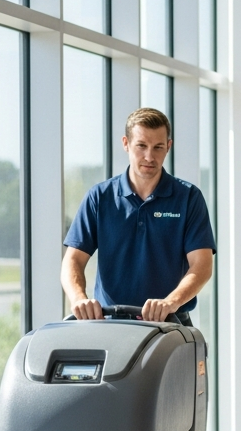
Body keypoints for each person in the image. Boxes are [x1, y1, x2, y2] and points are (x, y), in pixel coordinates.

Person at [62, 108, 216, 325]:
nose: (149, 157)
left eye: (158, 147)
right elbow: (73, 259)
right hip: (110, 325)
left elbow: (202, 265)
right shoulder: (99, 197)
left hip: (170, 325)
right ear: (126, 143)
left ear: (168, 147)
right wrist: (79, 299)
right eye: (141, 146)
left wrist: (170, 302)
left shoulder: (189, 198)